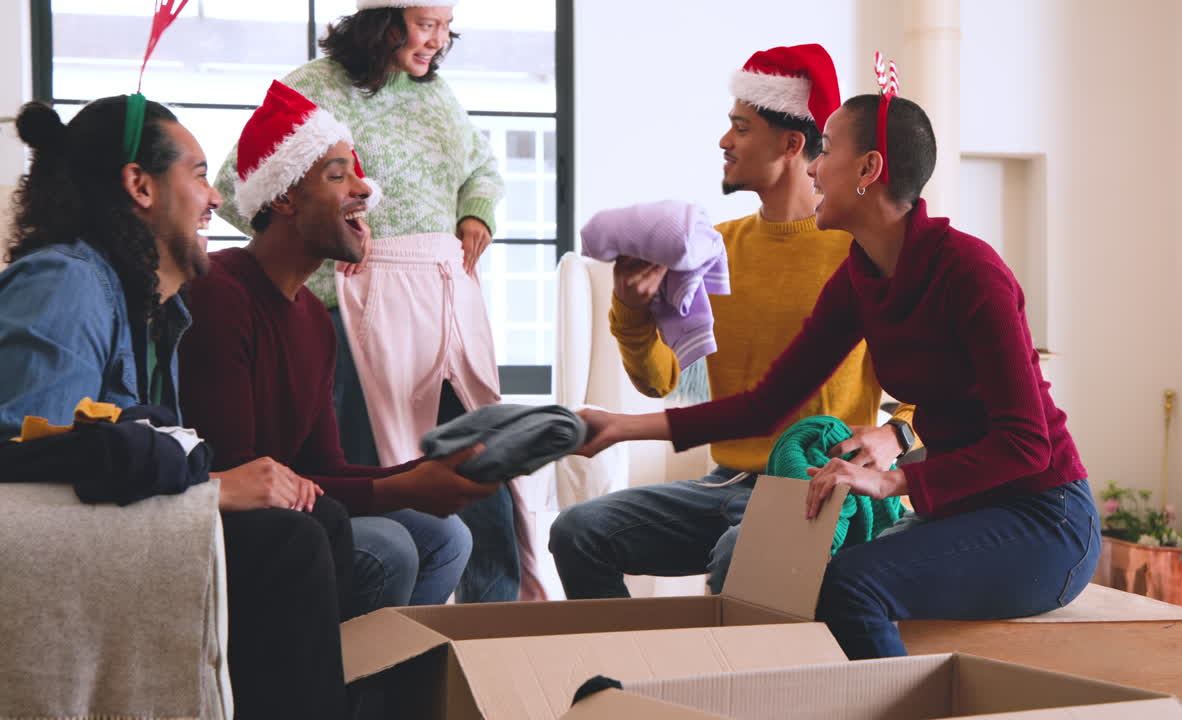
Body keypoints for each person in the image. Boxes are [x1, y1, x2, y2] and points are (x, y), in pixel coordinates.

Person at [572, 81, 1100, 659]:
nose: (815, 170)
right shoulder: (860, 275)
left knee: (848, 584)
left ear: (869, 168)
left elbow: (1027, 444)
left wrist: (893, 476)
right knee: (826, 578)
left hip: (1046, 521)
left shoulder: (971, 273)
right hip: (960, 512)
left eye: (826, 152)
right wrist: (623, 426)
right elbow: (767, 404)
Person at [0, 97, 350, 718]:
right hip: (65, 555)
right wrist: (212, 489)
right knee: (288, 546)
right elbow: (28, 453)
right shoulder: (66, 282)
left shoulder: (160, 311)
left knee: (323, 525)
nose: (215, 198)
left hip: (121, 535)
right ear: (139, 185)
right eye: (197, 173)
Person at [549, 44, 916, 599]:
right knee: (578, 532)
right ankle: (626, 671)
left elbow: (935, 383)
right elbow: (659, 380)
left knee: (735, 556)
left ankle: (733, 681)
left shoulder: (857, 254)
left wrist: (897, 432)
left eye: (741, 128)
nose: (725, 142)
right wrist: (631, 304)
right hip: (724, 482)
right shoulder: (713, 248)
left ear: (792, 144)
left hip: (810, 485)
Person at [213, 0, 528, 604]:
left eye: (446, 27)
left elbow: (483, 168)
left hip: (443, 305)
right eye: (426, 24)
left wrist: (475, 212)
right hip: (353, 310)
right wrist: (333, 252)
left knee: (479, 474)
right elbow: (240, 189)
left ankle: (491, 633)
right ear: (383, 21)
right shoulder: (313, 87)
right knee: (371, 476)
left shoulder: (437, 96)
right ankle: (375, 636)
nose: (439, 40)